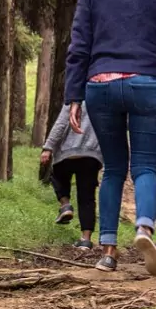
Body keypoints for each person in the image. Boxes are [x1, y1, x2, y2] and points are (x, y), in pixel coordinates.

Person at [64, 0, 156, 275]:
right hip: (149, 82)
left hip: (101, 84)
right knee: (145, 165)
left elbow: (79, 46)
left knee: (113, 168)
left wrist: (74, 96)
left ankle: (108, 251)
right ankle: (145, 226)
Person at [41, 102, 103, 250]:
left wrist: (48, 148)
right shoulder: (101, 102)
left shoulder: (73, 99)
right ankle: (85, 239)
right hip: (90, 155)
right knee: (87, 198)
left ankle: (65, 204)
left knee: (58, 177)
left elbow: (61, 124)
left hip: (66, 154)